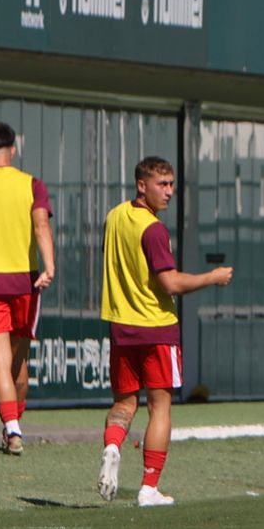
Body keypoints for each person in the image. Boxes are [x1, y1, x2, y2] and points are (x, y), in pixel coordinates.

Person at [97, 157, 234, 506]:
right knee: (160, 408)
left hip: (121, 328)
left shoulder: (114, 216)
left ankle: (112, 446)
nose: (170, 191)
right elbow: (170, 283)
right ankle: (148, 488)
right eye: (162, 184)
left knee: (125, 402)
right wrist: (212, 277)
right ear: (141, 185)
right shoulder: (153, 229)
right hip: (156, 328)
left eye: (172, 184)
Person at [0, 122, 54, 456]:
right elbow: (41, 224)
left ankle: (13, 429)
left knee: (0, 361)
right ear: (13, 150)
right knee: (19, 360)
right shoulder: (31, 184)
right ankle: (16, 422)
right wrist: (50, 266)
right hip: (25, 282)